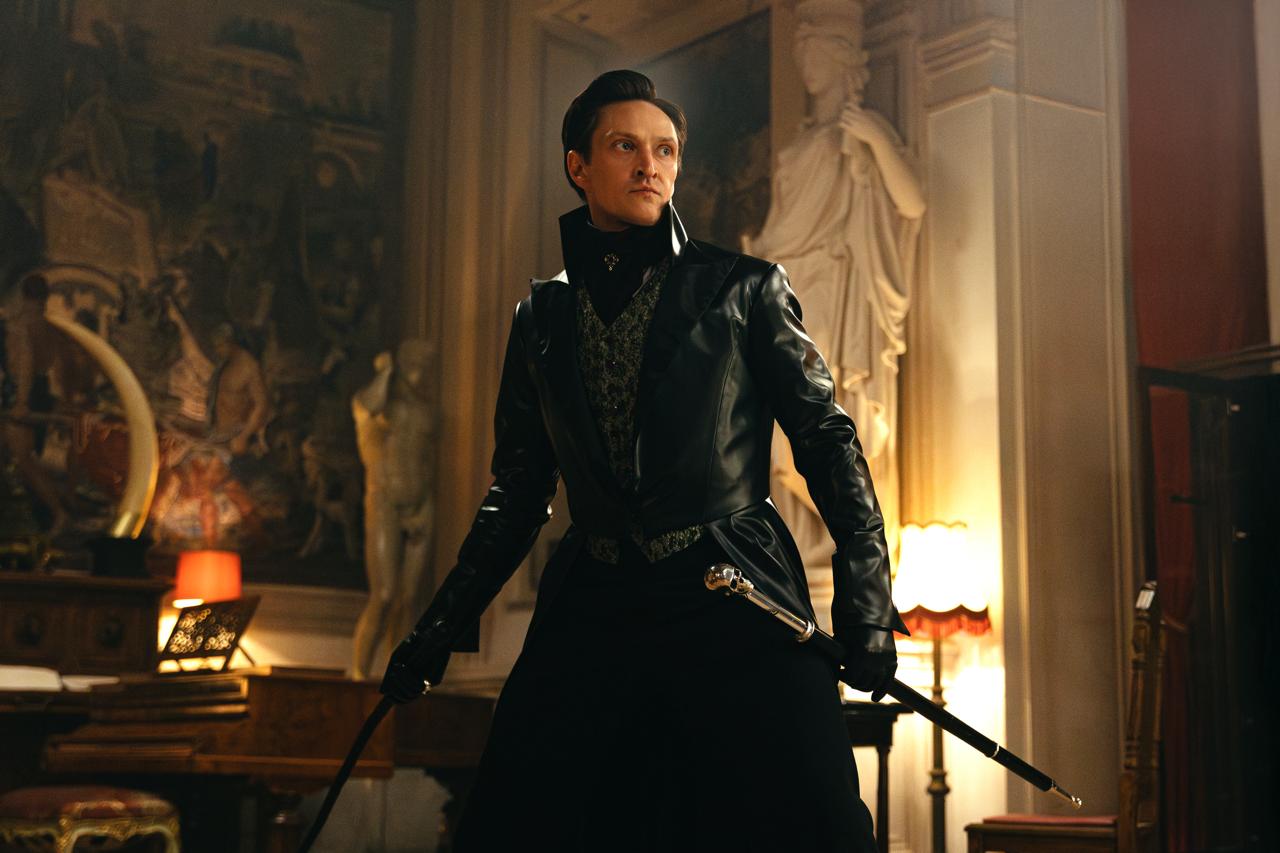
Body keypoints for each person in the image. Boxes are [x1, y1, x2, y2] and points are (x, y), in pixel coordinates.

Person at [381, 70, 905, 852]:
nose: (649, 165)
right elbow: (518, 491)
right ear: (578, 166)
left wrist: (867, 603)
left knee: (818, 827)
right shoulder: (541, 316)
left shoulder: (745, 288)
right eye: (625, 146)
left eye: (664, 150)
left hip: (734, 592)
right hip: (596, 601)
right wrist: (438, 628)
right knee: (513, 822)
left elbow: (828, 439)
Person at [745, 0, 925, 565]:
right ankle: (807, 544)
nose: (805, 62)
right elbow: (778, 229)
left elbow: (913, 205)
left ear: (844, 57)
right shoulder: (798, 142)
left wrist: (875, 141)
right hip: (786, 294)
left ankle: (845, 536)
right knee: (780, 430)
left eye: (815, 50)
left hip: (835, 288)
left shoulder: (861, 131)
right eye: (800, 51)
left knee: (831, 413)